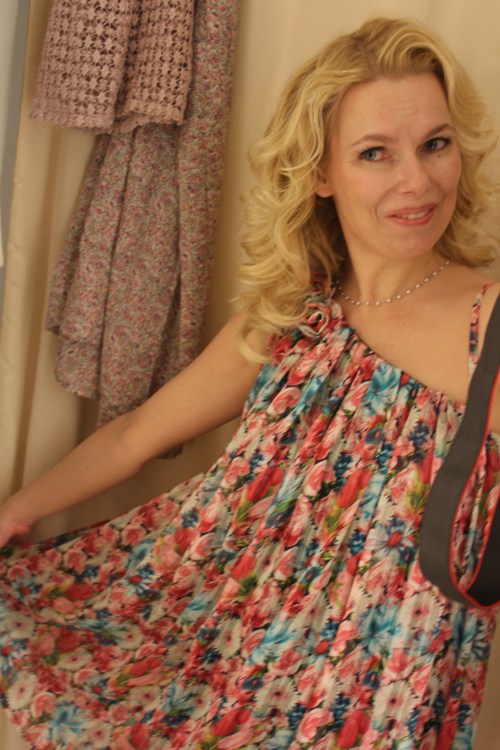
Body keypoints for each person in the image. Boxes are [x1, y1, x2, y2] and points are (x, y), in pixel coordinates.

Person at [0, 14, 499, 750]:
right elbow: (136, 437)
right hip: (225, 672)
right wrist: (16, 511)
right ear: (321, 173)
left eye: (435, 144)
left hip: (374, 706)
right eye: (374, 153)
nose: (416, 181)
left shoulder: (489, 325)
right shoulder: (294, 314)